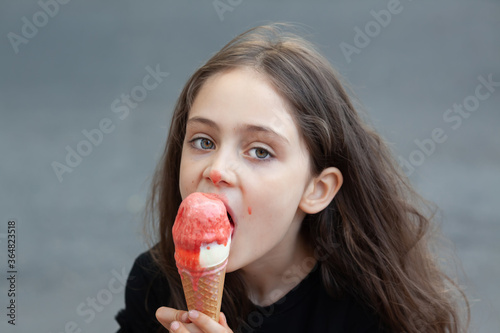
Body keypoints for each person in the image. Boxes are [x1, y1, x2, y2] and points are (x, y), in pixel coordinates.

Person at [115, 24, 469, 333]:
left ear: (317, 189)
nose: (217, 169)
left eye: (260, 151)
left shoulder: (366, 310)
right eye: (204, 142)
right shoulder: (154, 284)